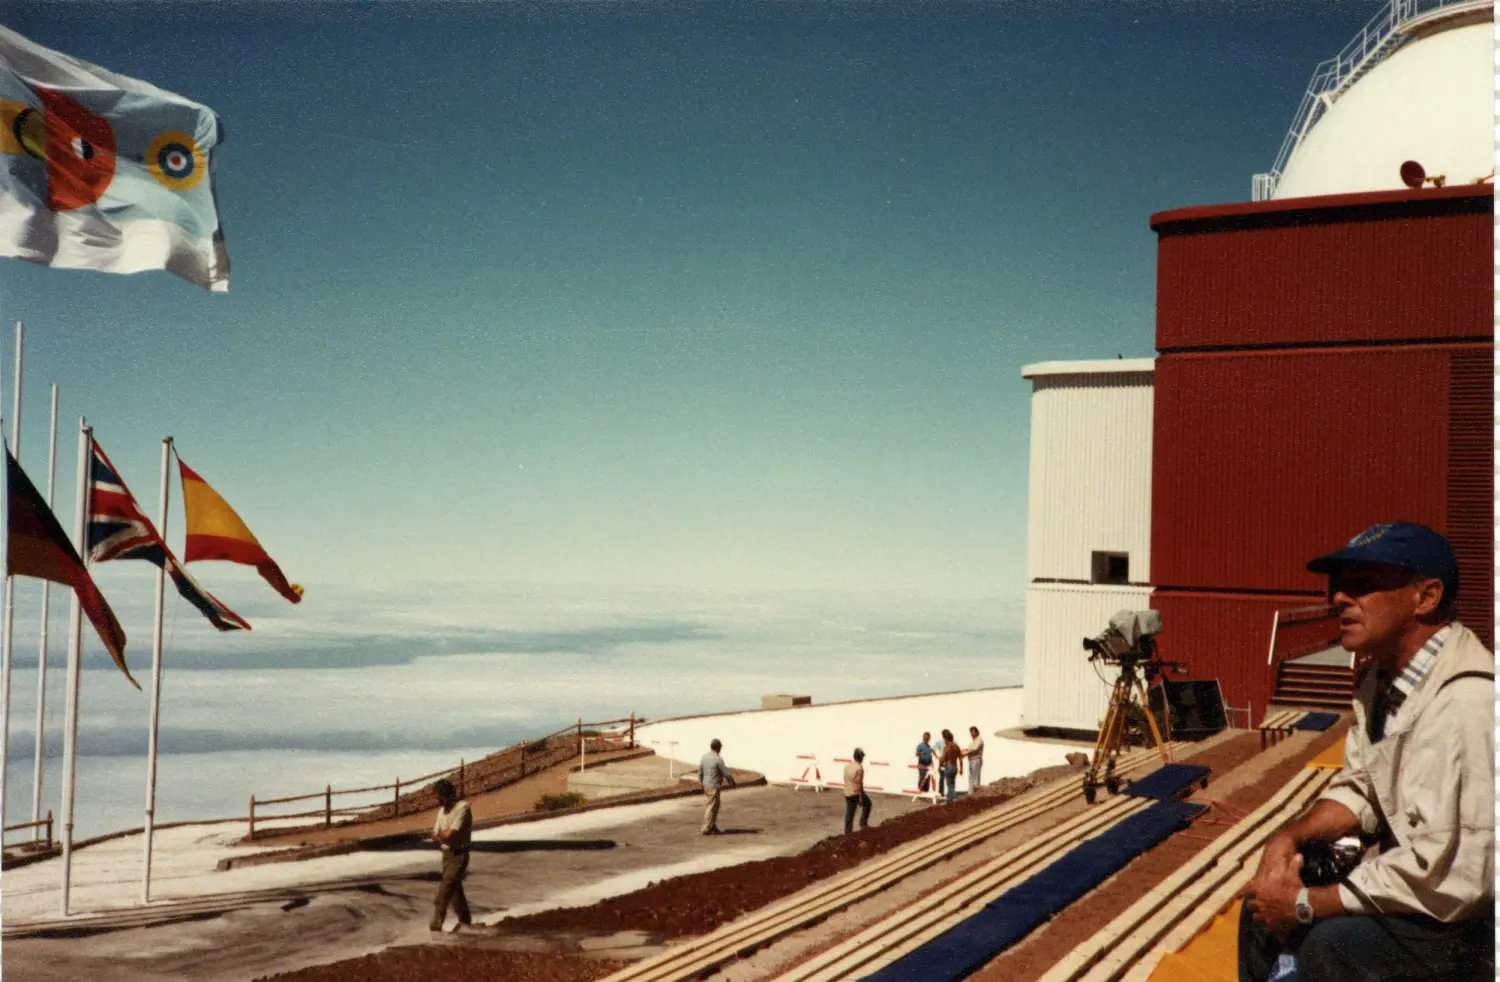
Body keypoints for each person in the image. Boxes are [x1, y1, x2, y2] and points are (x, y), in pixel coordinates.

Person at [1239, 523, 1494, 982]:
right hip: (1425, 892)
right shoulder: (1382, 683)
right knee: (1257, 910)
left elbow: (1447, 873)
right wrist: (1288, 839)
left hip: (1465, 918)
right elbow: (1362, 787)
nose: (1339, 598)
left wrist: (1304, 905)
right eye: (1338, 586)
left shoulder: (1467, 700)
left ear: (1426, 597)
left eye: (1362, 585)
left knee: (1332, 947)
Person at [429, 778, 473, 933]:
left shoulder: (463, 807)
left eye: (438, 797)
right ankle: (465, 922)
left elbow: (449, 835)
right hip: (446, 855)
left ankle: (435, 928)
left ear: (446, 795)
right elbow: (435, 835)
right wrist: (444, 835)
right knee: (455, 892)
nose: (437, 801)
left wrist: (443, 835)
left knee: (444, 892)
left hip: (459, 855)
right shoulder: (441, 811)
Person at [698, 738, 735, 835]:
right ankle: (706, 828)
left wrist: (701, 782)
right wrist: (731, 781)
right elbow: (725, 772)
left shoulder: (704, 757)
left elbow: (700, 771)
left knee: (715, 806)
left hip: (706, 784)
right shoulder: (718, 759)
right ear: (718, 748)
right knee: (711, 806)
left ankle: (712, 826)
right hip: (713, 786)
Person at [843, 748, 872, 833]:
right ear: (861, 757)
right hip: (855, 793)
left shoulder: (847, 766)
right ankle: (863, 824)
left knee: (849, 812)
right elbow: (859, 782)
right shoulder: (859, 768)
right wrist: (860, 796)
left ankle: (847, 831)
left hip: (847, 791)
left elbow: (845, 778)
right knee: (868, 804)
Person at [938, 728, 962, 804]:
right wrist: (961, 768)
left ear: (946, 739)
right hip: (955, 767)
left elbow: (942, 759)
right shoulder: (957, 747)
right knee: (952, 784)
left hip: (949, 767)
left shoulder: (947, 748)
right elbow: (960, 758)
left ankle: (954, 798)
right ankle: (949, 800)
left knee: (949, 785)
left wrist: (939, 766)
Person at [964, 726, 985, 791]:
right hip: (971, 760)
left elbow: (974, 749)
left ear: (977, 732)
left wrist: (965, 753)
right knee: (971, 779)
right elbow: (970, 749)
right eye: (970, 732)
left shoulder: (979, 740)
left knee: (975, 779)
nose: (971, 734)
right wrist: (965, 750)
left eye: (972, 732)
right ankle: (970, 794)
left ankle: (975, 795)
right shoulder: (973, 741)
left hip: (976, 760)